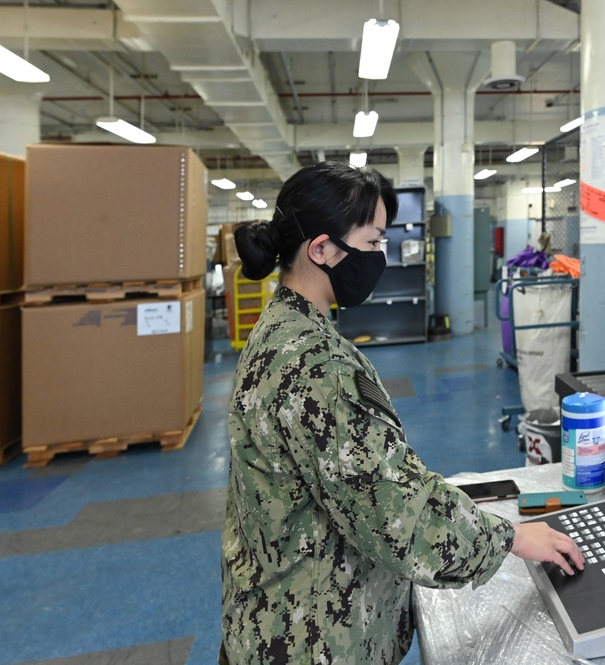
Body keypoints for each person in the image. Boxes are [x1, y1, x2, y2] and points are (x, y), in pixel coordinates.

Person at [220, 161, 583, 665]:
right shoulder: (314, 366)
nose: (380, 256)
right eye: (372, 243)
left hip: (278, 615)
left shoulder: (282, 326)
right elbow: (394, 512)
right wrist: (514, 537)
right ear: (321, 249)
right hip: (310, 639)